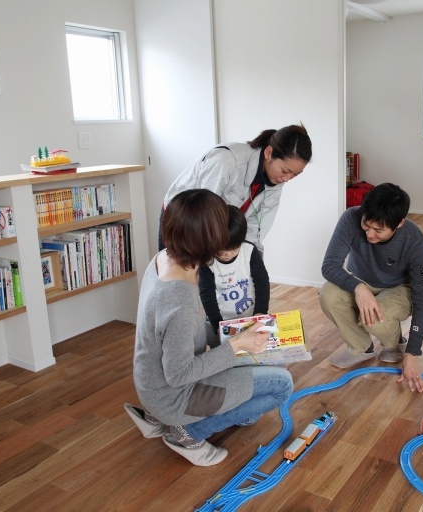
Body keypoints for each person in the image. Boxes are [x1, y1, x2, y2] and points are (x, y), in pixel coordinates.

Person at [125, 189, 293, 466]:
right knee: (281, 385)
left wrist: (234, 336)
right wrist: (237, 344)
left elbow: (168, 339)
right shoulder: (179, 299)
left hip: (151, 385)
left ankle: (156, 418)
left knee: (245, 355)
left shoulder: (163, 258)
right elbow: (180, 375)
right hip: (175, 397)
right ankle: (188, 433)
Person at [319, 183, 423, 393]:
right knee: (328, 294)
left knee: (374, 317)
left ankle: (393, 343)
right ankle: (362, 348)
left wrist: (413, 352)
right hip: (361, 281)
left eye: (378, 230)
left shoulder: (414, 241)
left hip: (399, 288)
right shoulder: (350, 218)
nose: (370, 234)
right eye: (366, 225)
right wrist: (358, 288)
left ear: (399, 223)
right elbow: (329, 266)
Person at [160, 124, 312, 253]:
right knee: (179, 281)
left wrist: (252, 267)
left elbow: (255, 234)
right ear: (268, 153)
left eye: (294, 175)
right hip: (182, 221)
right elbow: (202, 215)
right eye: (285, 171)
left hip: (217, 231)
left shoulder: (276, 181)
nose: (286, 179)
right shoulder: (227, 162)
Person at [199, 205, 270, 343]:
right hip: (219, 320)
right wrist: (216, 323)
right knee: (221, 356)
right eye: (221, 251)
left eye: (234, 249)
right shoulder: (207, 261)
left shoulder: (249, 251)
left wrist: (260, 312)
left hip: (249, 317)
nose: (228, 255)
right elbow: (206, 294)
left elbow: (262, 282)